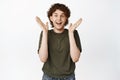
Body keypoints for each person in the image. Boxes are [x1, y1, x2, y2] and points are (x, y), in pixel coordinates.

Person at [36, 3, 82, 80]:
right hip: (48, 77)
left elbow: (75, 58)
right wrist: (44, 32)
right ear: (51, 18)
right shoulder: (45, 33)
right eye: (56, 15)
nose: (59, 19)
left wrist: (70, 33)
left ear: (66, 18)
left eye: (62, 16)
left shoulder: (73, 33)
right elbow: (43, 59)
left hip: (68, 77)